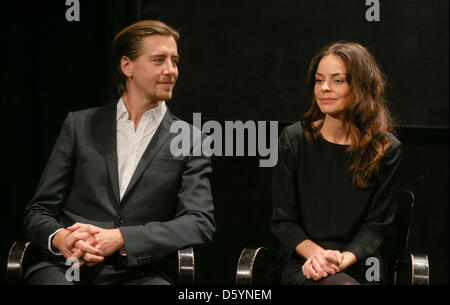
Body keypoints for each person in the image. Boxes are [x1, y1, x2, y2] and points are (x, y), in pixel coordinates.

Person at [23, 20, 215, 285]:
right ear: (127, 66)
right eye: (159, 60)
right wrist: (62, 239)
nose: (171, 70)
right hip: (67, 266)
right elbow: (39, 210)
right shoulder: (79, 126)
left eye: (175, 60)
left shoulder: (192, 139)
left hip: (139, 272)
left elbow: (199, 222)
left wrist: (122, 238)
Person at [270, 41, 402, 285]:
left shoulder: (386, 149)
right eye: (319, 80)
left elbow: (376, 226)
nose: (324, 88)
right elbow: (283, 220)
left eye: (337, 80)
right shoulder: (294, 140)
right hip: (304, 262)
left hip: (360, 264)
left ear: (361, 86)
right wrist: (318, 256)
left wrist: (340, 260)